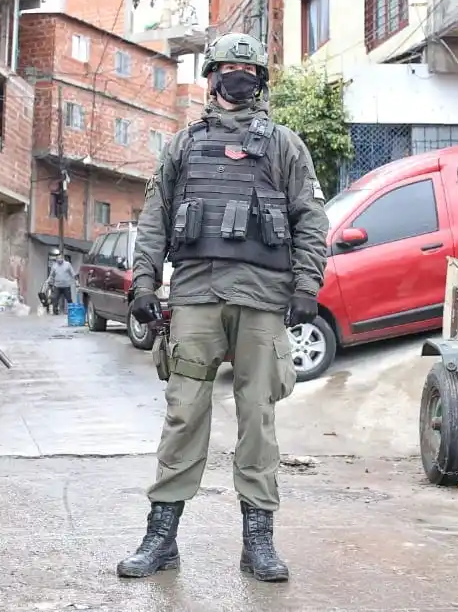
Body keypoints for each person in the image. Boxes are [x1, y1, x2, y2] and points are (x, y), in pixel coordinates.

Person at [116, 32, 329, 583]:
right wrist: (142, 285)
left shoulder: (285, 145)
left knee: (258, 419)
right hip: (194, 297)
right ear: (210, 77)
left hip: (262, 301)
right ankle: (160, 538)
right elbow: (155, 219)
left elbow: (310, 218)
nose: (236, 76)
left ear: (259, 79)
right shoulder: (183, 146)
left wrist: (308, 284)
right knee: (184, 415)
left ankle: (258, 542)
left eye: (246, 68)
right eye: (227, 68)